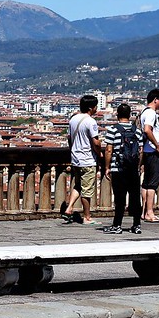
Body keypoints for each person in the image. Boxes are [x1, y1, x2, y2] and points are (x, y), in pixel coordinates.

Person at [61, 95, 102, 225]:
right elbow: (95, 142)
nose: (96, 109)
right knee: (87, 191)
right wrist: (99, 154)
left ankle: (69, 208)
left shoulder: (73, 119)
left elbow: (69, 138)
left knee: (78, 185)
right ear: (91, 108)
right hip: (87, 159)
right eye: (95, 106)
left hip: (75, 158)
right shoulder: (91, 122)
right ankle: (87, 217)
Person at [103, 103, 143, 234]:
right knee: (135, 198)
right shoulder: (137, 130)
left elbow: (109, 150)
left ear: (117, 115)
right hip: (133, 169)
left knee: (119, 198)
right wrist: (138, 166)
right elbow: (141, 151)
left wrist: (107, 167)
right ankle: (136, 225)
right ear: (130, 115)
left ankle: (117, 225)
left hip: (118, 168)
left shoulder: (113, 130)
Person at [140, 88, 159, 223]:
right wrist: (157, 145)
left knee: (146, 183)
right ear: (155, 99)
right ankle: (150, 213)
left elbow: (158, 125)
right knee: (152, 184)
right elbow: (147, 130)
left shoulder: (146, 112)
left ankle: (144, 212)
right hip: (153, 152)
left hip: (148, 151)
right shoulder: (151, 113)